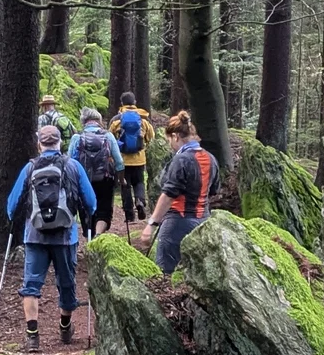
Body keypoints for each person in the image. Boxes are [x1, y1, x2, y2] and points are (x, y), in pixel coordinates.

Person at [5, 121, 98, 348]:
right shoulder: (73, 166)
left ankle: (32, 336)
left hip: (35, 235)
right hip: (66, 236)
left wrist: (17, 218)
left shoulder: (30, 168)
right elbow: (91, 203)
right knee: (66, 283)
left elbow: (11, 205)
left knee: (31, 285)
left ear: (39, 144)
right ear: (60, 142)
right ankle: (65, 329)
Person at [145, 109, 216, 275]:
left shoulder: (181, 159)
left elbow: (169, 195)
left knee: (165, 273)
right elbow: (213, 191)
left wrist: (151, 224)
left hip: (177, 223)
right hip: (203, 222)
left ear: (175, 136)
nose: (170, 144)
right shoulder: (211, 158)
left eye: (169, 139)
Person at [69, 108, 121, 237]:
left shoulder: (77, 137)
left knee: (86, 208)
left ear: (83, 121)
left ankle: (89, 236)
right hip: (105, 179)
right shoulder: (108, 135)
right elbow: (119, 162)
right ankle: (98, 234)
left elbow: (69, 161)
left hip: (82, 180)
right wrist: (120, 179)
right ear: (99, 120)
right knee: (103, 209)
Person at [112, 90, 154, 232]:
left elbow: (110, 140)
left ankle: (129, 215)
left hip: (122, 160)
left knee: (125, 186)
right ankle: (140, 201)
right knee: (139, 182)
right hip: (139, 159)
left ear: (122, 103)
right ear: (135, 103)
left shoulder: (116, 120)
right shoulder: (142, 119)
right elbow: (151, 137)